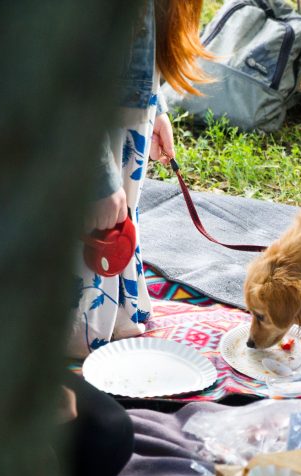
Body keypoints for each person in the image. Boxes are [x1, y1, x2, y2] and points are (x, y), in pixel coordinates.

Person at [68, 0, 211, 357]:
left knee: (116, 224)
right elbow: (65, 73)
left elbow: (136, 32)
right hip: (84, 130)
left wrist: (154, 102)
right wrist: (99, 177)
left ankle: (113, 311)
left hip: (123, 108)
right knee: (96, 224)